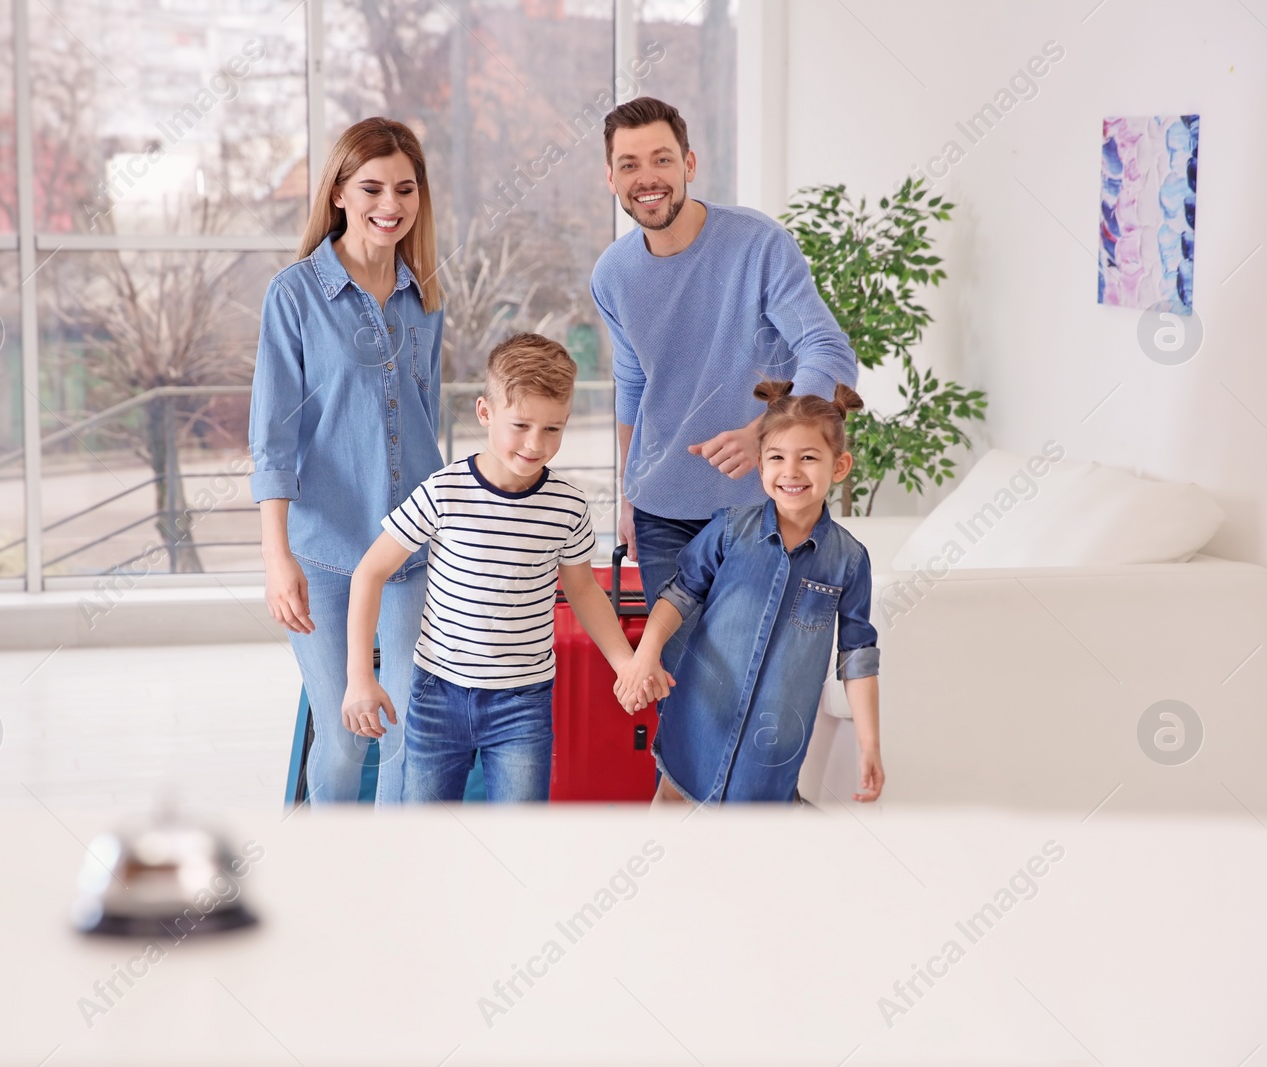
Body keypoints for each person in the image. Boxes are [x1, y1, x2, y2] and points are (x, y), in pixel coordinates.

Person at [591, 96, 860, 677]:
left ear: (689, 164)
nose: (648, 178)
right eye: (630, 165)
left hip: (760, 505)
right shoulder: (612, 274)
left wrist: (765, 432)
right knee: (688, 683)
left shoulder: (757, 244)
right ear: (611, 177)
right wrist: (629, 494)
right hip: (662, 512)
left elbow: (831, 353)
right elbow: (633, 382)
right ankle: (675, 774)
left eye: (661, 159)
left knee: (753, 677)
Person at [342, 334, 669, 802]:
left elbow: (582, 590)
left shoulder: (568, 506)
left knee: (519, 844)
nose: (536, 444)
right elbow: (368, 573)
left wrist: (625, 663)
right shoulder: (444, 491)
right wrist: (360, 677)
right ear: (485, 412)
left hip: (524, 703)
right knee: (427, 840)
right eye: (521, 425)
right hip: (437, 695)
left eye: (553, 429)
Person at [249, 117, 446, 805]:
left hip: (413, 552)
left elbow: (430, 422)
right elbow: (271, 440)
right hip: (325, 555)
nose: (389, 204)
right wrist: (278, 558)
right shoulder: (295, 296)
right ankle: (325, 878)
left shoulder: (426, 297)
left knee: (407, 731)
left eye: (405, 188)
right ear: (338, 191)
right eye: (371, 187)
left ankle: (393, 880)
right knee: (344, 735)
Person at [614, 380, 882, 805]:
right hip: (699, 720)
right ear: (760, 465)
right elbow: (678, 595)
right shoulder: (728, 530)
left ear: (840, 466)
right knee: (673, 804)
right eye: (777, 458)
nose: (791, 471)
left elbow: (858, 656)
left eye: (808, 458)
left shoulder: (849, 559)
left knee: (749, 849)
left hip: (773, 748)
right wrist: (646, 655)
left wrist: (869, 745)